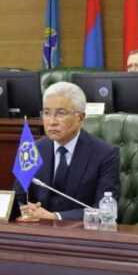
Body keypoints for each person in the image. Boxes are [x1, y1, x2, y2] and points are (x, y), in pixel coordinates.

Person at [15, 82, 119, 221]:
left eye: (61, 113)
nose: (52, 121)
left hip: (80, 231)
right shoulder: (32, 149)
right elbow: (18, 198)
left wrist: (56, 217)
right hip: (38, 228)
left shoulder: (105, 154)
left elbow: (105, 210)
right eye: (46, 113)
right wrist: (25, 209)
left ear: (80, 118)